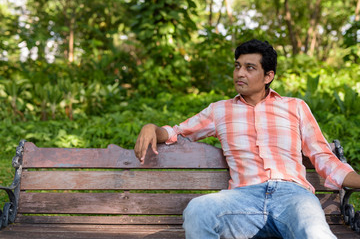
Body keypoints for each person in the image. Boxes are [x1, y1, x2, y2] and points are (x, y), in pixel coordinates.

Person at [134, 39, 360, 239]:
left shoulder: (295, 107)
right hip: (242, 200)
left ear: (268, 76)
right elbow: (178, 132)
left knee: (315, 233)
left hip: (293, 198)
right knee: (198, 210)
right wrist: (152, 128)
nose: (240, 73)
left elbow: (323, 157)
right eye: (237, 66)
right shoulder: (219, 111)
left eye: (249, 68)